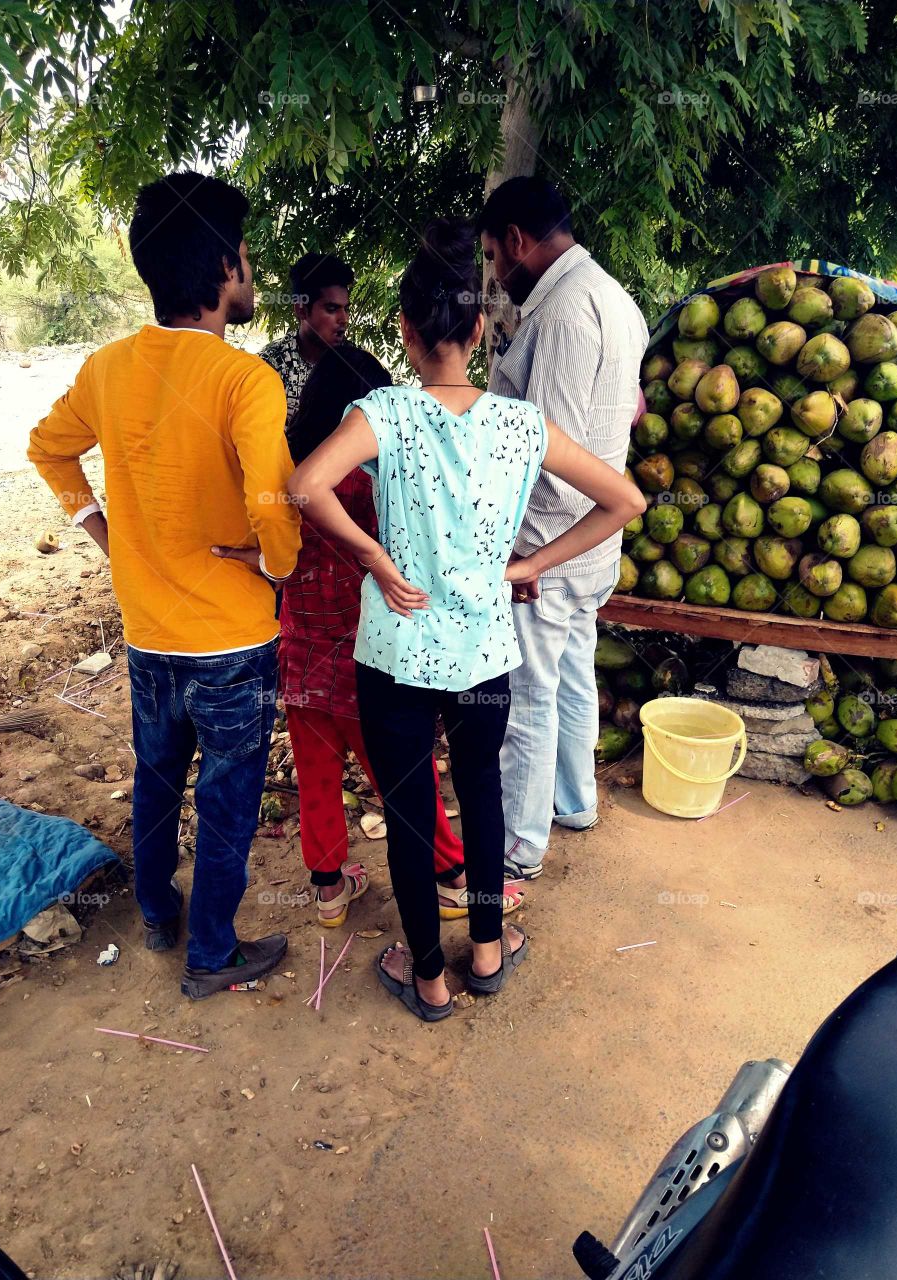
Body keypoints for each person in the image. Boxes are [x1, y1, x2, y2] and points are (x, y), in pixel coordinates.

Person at [288, 220, 645, 1022]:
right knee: (480, 795)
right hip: (485, 648)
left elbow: (308, 485)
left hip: (395, 652)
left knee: (413, 810)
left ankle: (426, 978)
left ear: (407, 333)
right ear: (479, 328)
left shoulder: (382, 414)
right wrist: (528, 567)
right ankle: (487, 950)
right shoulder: (521, 425)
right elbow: (625, 500)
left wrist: (376, 560)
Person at [27, 171, 301, 999]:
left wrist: (106, 538)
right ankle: (211, 954)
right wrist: (276, 565)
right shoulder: (245, 380)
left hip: (148, 632)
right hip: (232, 644)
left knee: (156, 778)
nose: (251, 273)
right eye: (246, 258)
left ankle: (157, 911)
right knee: (225, 803)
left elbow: (47, 450)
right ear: (223, 268)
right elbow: (272, 504)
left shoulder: (107, 369)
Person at [276, 345, 525, 925]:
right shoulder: (370, 478)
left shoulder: (283, 471)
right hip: (367, 649)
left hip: (302, 647)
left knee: (315, 773)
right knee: (406, 782)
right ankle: (453, 875)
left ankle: (329, 888)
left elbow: (270, 545)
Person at [477, 177, 649, 881]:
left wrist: (522, 555)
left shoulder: (563, 316)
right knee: (575, 673)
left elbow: (547, 452)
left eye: (493, 256)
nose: (493, 272)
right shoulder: (616, 299)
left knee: (528, 696)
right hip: (595, 544)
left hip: (550, 547)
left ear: (517, 242)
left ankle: (520, 846)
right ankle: (574, 804)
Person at [260, 253, 353, 427]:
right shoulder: (270, 366)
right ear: (301, 310)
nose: (343, 318)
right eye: (332, 309)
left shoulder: (357, 366)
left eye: (346, 309)